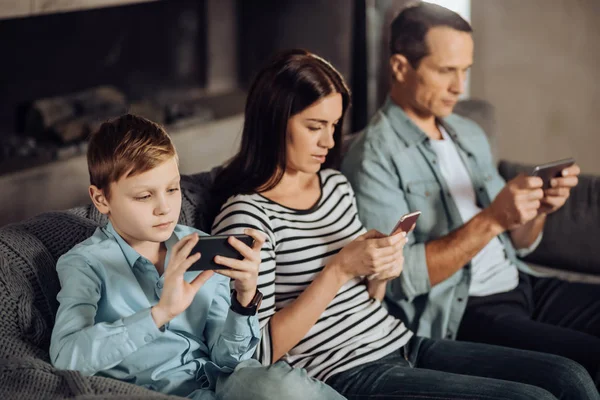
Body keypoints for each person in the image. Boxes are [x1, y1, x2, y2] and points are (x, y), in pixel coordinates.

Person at [210, 48, 599, 400]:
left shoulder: (334, 184)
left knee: (569, 375)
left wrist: (380, 271)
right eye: (315, 126)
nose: (329, 142)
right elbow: (254, 354)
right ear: (274, 122)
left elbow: (369, 299)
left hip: (403, 342)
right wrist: (339, 269)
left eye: (334, 126)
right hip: (344, 373)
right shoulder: (246, 217)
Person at [341, 2, 600, 386]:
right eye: (446, 70)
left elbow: (521, 242)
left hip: (520, 281)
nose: (459, 87)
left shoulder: (468, 133)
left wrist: (537, 208)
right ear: (399, 67)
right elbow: (396, 279)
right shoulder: (372, 155)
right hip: (466, 310)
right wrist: (492, 218)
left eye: (464, 70)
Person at [49, 114, 346, 400]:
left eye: (172, 188)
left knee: (282, 385)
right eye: (144, 196)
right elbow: (65, 358)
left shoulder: (198, 244)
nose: (165, 208)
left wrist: (244, 300)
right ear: (101, 199)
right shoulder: (85, 264)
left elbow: (229, 360)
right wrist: (159, 314)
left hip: (226, 385)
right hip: (163, 394)